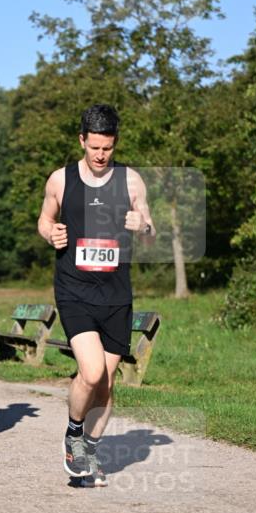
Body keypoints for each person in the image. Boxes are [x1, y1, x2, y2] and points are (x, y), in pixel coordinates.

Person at [37, 103, 155, 487]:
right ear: (82, 140)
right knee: (89, 372)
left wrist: (143, 225)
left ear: (114, 143)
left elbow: (151, 230)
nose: (101, 155)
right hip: (74, 289)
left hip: (116, 294)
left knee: (106, 383)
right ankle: (73, 435)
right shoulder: (61, 179)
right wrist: (50, 232)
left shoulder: (131, 181)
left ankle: (89, 448)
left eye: (108, 148)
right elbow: (45, 218)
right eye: (95, 148)